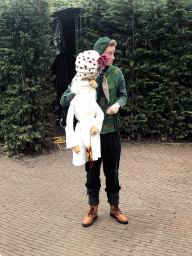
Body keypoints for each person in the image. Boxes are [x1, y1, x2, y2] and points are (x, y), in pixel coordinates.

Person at [60, 37, 128, 227]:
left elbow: (124, 95)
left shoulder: (116, 73)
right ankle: (93, 208)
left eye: (114, 53)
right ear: (99, 56)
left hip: (111, 132)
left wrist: (117, 104)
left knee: (112, 171)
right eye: (109, 54)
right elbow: (64, 101)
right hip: (90, 139)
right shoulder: (82, 74)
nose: (113, 57)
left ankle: (115, 207)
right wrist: (79, 86)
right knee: (92, 171)